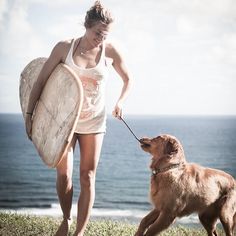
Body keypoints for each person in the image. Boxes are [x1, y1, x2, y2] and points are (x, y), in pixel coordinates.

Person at [25, 1, 132, 236]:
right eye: (97, 33)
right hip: (64, 123)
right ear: (87, 26)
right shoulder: (65, 48)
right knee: (63, 174)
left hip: (94, 121)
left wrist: (120, 102)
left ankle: (79, 232)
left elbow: (128, 79)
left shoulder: (110, 50)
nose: (101, 39)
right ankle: (66, 218)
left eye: (105, 35)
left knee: (88, 176)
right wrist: (30, 114)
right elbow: (40, 81)